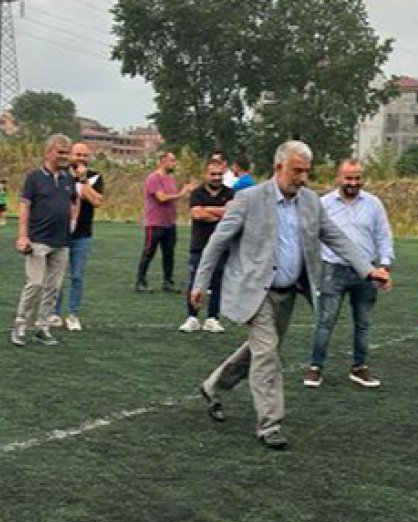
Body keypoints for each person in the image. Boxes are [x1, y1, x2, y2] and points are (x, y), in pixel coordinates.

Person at [191, 140, 391, 450]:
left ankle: (213, 385)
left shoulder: (311, 202)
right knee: (267, 352)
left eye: (306, 172)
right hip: (255, 292)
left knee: (259, 351)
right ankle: (269, 424)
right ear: (278, 168)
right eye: (297, 171)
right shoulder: (248, 199)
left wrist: (368, 269)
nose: (303, 178)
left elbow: (336, 238)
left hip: (288, 294)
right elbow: (217, 243)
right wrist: (200, 283)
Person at [304, 159, 395, 389]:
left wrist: (384, 266)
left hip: (367, 272)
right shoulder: (323, 203)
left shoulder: (374, 204)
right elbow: (312, 238)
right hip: (332, 269)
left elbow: (384, 236)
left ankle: (359, 367)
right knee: (325, 321)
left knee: (363, 322)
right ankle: (316, 367)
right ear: (338, 177)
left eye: (357, 178)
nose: (353, 182)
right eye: (349, 178)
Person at [9, 134, 77, 347]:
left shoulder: (68, 179)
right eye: (60, 152)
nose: (65, 156)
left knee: (53, 287)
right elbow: (24, 207)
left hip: (62, 241)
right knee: (35, 284)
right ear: (48, 152)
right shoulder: (34, 177)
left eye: (67, 152)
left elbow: (74, 201)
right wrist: (22, 235)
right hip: (38, 239)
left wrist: (72, 220)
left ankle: (42, 327)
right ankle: (20, 324)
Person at [179, 160, 233, 334]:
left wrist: (208, 210)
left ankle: (213, 318)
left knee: (218, 282)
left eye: (219, 174)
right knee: (195, 280)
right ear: (206, 175)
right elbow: (197, 214)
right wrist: (220, 212)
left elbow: (231, 214)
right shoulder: (197, 193)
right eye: (213, 174)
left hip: (222, 246)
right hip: (199, 244)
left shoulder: (230, 193)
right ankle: (192, 317)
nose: (216, 178)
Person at [53, 141, 102, 332]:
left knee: (77, 276)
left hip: (83, 234)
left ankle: (72, 314)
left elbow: (96, 201)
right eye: (77, 154)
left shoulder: (94, 176)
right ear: (70, 155)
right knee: (57, 276)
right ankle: (54, 313)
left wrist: (82, 181)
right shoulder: (61, 175)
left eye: (84, 156)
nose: (81, 159)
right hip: (60, 232)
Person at [136, 150, 195, 293]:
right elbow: (161, 198)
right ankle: (140, 281)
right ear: (163, 161)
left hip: (169, 222)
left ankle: (168, 281)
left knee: (169, 253)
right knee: (149, 252)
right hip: (155, 223)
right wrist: (182, 193)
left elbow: (172, 197)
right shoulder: (153, 178)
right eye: (172, 160)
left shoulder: (170, 178)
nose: (174, 163)